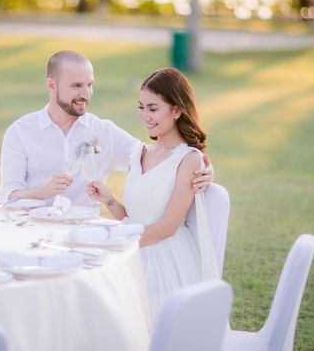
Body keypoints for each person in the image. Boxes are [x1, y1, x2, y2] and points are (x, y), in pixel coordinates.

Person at [0, 51, 213, 206]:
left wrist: (203, 167)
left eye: (89, 85)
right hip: (31, 232)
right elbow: (8, 196)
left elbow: (154, 159)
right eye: (76, 86)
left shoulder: (103, 131)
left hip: (84, 235)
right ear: (51, 86)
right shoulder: (20, 132)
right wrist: (41, 191)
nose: (86, 94)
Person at [87, 67, 219, 317]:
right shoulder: (140, 153)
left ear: (177, 110)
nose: (145, 116)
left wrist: (117, 241)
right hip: (137, 247)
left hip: (165, 258)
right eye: (141, 107)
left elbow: (168, 226)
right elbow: (134, 219)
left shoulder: (188, 159)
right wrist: (108, 199)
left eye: (153, 108)